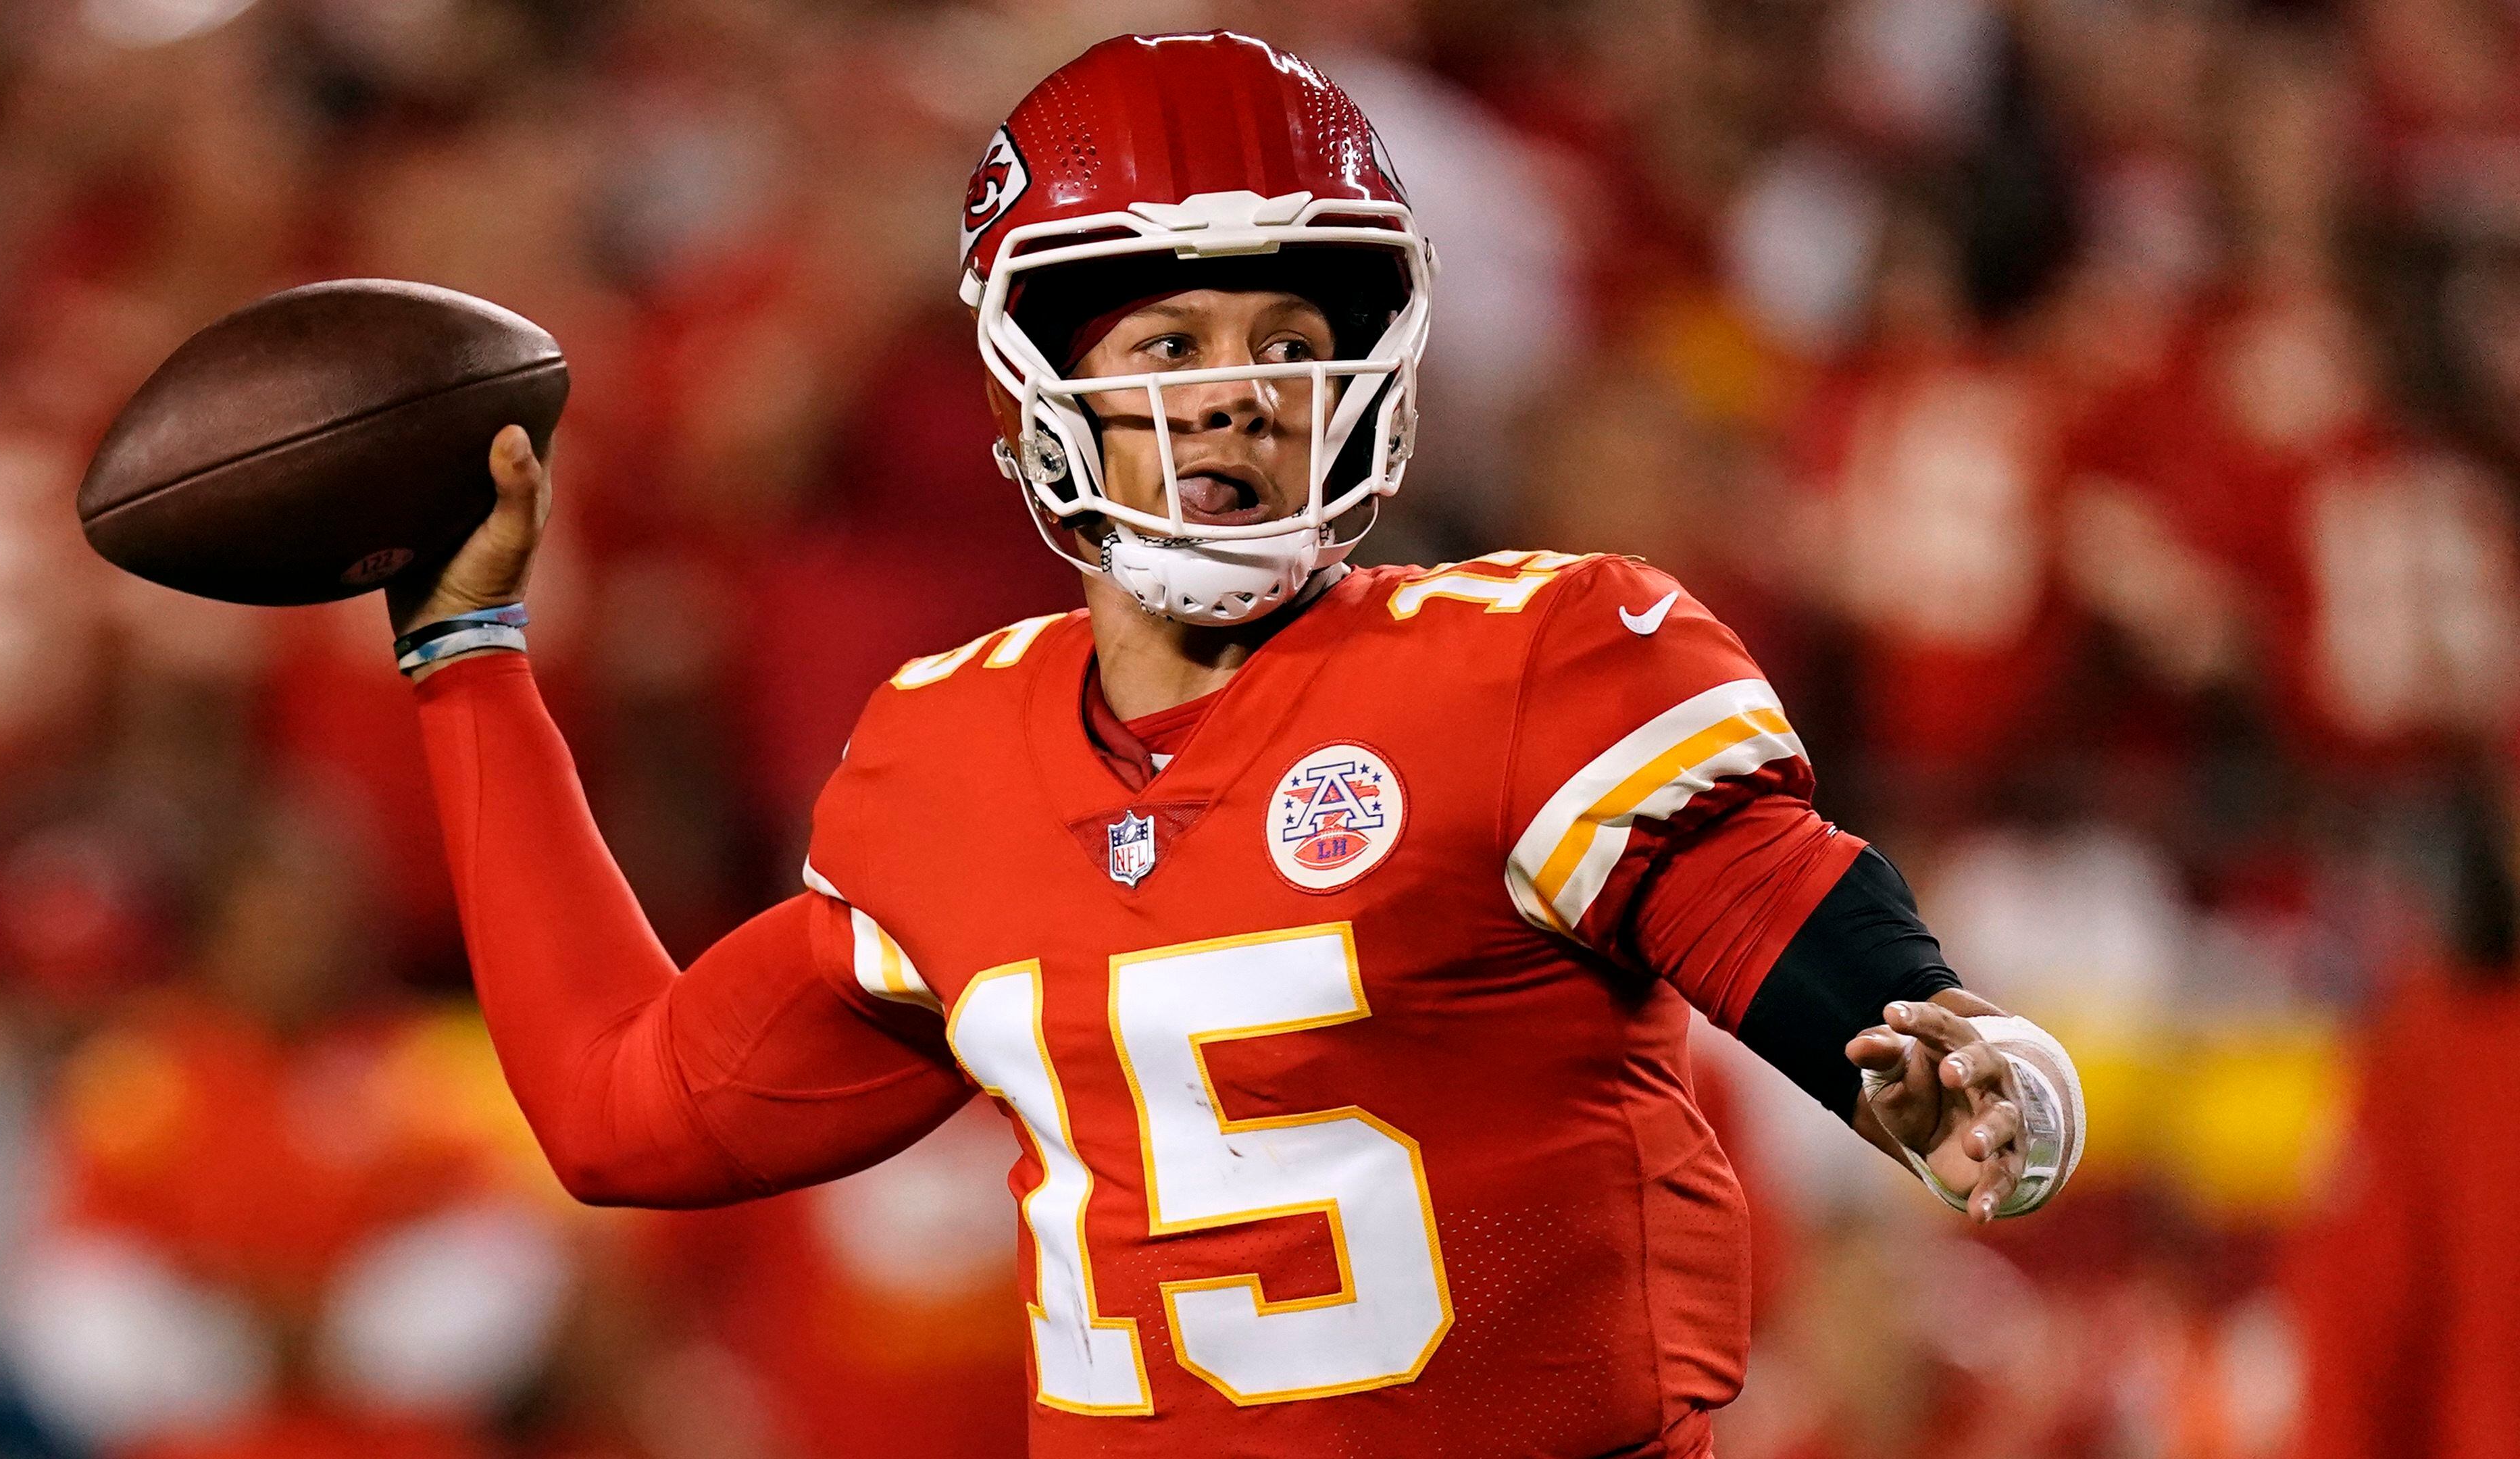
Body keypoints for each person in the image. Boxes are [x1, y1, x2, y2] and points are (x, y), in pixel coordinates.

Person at [385, 32, 2087, 1459]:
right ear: (1031, 383)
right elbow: (623, 1110)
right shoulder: (940, 760)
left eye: (1291, 339)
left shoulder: (1533, 659)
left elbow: (1759, 892)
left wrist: (1920, 1043)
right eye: (1168, 346)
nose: (1238, 392)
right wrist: (468, 660)